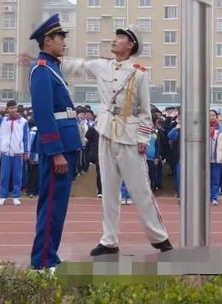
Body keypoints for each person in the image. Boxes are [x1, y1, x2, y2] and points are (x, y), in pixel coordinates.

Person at [48, 25, 172, 256]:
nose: (115, 41)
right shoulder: (101, 66)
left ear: (131, 45)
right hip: (105, 131)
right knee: (109, 190)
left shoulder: (139, 73)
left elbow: (145, 111)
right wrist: (45, 58)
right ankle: (109, 240)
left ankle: (159, 237)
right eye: (116, 37)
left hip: (129, 135)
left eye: (121, 38)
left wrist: (144, 137)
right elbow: (76, 66)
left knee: (140, 189)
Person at [27, 13, 82, 270]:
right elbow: (43, 114)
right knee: (51, 208)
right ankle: (43, 262)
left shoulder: (52, 68)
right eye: (60, 37)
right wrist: (56, 152)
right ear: (47, 40)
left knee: (57, 208)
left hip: (66, 144)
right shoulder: (41, 70)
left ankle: (50, 257)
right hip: (57, 148)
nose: (64, 41)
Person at [0, 101, 29, 206]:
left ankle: (16, 196)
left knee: (17, 176)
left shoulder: (23, 122)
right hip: (6, 152)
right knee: (5, 175)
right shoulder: (2, 121)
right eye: (10, 108)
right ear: (7, 109)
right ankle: (2, 197)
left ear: (17, 108)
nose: (12, 110)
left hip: (18, 153)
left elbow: (25, 138)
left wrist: (26, 152)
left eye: (14, 108)